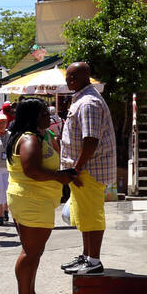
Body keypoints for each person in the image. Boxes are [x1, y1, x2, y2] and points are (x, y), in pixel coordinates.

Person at [7, 98, 81, 294]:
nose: (48, 116)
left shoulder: (39, 136)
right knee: (30, 252)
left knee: (35, 251)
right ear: (32, 117)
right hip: (31, 200)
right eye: (43, 113)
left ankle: (29, 292)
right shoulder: (29, 140)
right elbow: (32, 170)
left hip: (36, 199)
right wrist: (59, 176)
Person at [59, 62, 118, 277]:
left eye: (73, 76)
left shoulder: (89, 103)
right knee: (83, 215)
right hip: (83, 169)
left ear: (86, 77)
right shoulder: (81, 99)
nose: (69, 80)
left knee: (91, 216)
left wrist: (76, 168)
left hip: (89, 170)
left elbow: (91, 140)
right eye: (68, 76)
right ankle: (86, 256)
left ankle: (94, 261)